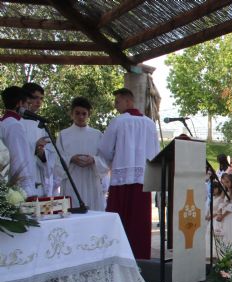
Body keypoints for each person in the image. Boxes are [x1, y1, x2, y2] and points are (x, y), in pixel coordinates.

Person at [99, 88, 159, 259]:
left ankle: (117, 257)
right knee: (139, 224)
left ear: (128, 101)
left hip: (121, 180)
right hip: (142, 181)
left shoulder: (118, 122)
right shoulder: (150, 124)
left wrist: (112, 161)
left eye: (117, 102)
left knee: (119, 222)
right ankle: (140, 258)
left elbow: (105, 150)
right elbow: (155, 153)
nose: (115, 105)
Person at [57, 97, 107, 210]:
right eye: (77, 113)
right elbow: (56, 160)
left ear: (89, 114)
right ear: (71, 114)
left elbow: (105, 159)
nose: (81, 117)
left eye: (84, 114)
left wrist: (94, 160)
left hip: (91, 181)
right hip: (72, 181)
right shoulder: (63, 135)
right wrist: (70, 159)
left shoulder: (97, 135)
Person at [22, 82, 57, 196]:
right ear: (25, 98)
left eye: (41, 99)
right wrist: (35, 147)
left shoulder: (41, 125)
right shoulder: (14, 123)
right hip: (19, 177)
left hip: (37, 176)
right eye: (35, 97)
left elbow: (51, 156)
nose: (39, 102)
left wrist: (42, 154)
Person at [0, 86, 36, 196]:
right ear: (19, 104)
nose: (28, 108)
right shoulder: (14, 125)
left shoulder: (4, 122)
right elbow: (19, 159)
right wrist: (28, 191)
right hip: (17, 188)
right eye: (27, 104)